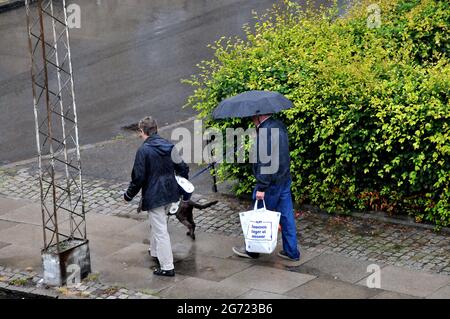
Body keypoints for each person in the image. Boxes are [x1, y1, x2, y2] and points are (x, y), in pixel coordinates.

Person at [124, 116, 189, 277]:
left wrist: (128, 195)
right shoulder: (169, 145)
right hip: (171, 192)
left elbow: (138, 177)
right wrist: (181, 185)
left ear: (142, 131)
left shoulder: (143, 150)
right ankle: (154, 251)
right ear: (156, 128)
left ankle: (167, 266)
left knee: (160, 231)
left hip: (154, 195)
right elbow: (183, 167)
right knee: (157, 224)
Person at [232, 114, 301, 261]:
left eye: (252, 117)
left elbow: (265, 162)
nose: (251, 119)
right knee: (286, 216)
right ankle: (292, 251)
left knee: (258, 216)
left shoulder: (265, 133)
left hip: (270, 183)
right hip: (284, 179)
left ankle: (252, 250)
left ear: (259, 116)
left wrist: (262, 187)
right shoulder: (279, 125)